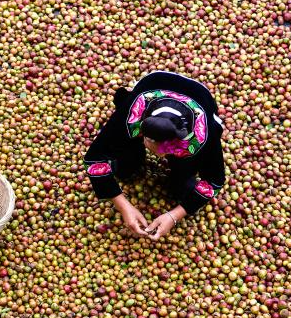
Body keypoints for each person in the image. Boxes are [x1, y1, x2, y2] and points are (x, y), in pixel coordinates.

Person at [84, 70, 226, 240]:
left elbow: (214, 180)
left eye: (169, 149)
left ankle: (180, 172)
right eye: (154, 145)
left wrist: (174, 216)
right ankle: (133, 160)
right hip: (154, 82)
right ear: (142, 132)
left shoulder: (201, 136)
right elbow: (93, 159)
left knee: (182, 187)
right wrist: (123, 206)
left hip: (199, 96)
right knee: (126, 167)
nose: (160, 156)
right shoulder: (131, 116)